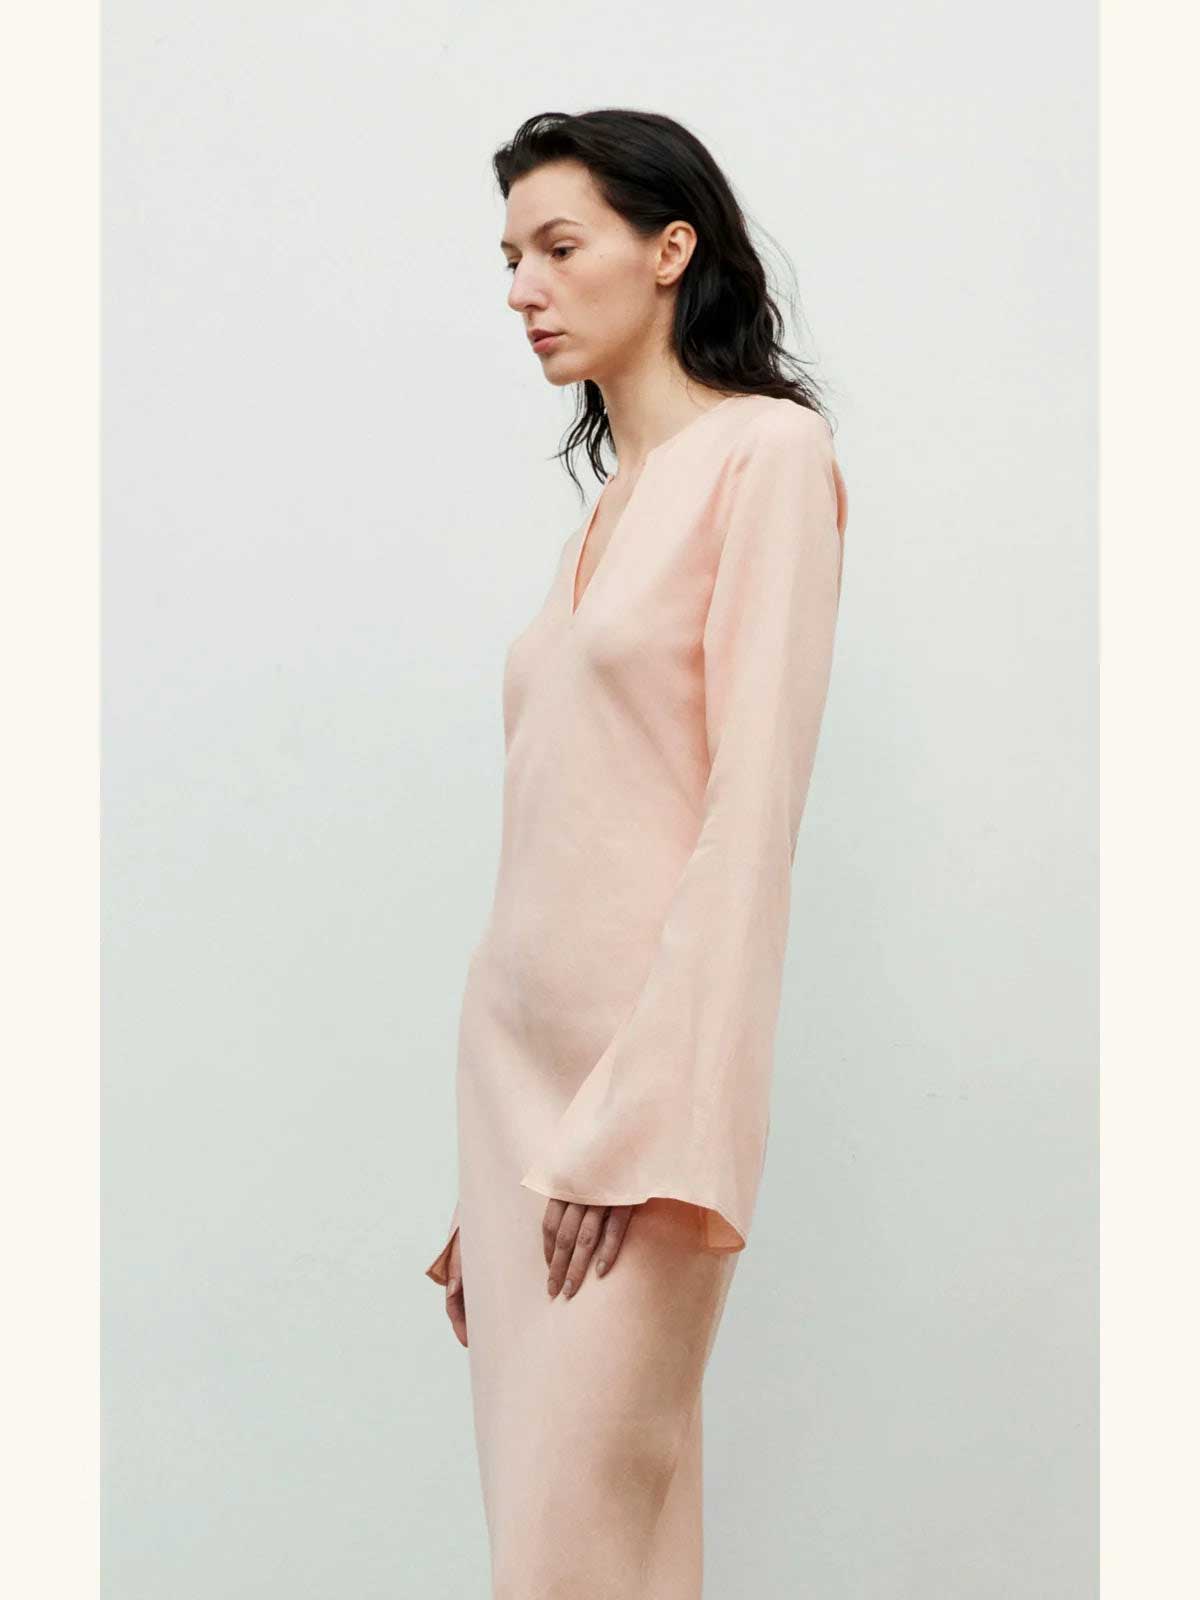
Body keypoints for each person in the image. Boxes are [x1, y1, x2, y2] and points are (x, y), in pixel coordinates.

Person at [424, 108, 848, 1598]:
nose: (523, 290)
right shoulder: (600, 518)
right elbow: (561, 835)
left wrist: (644, 1116)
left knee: (571, 1553)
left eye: (558, 247)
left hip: (636, 1099)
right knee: (600, 1554)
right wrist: (491, 1178)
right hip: (514, 1102)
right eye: (509, 259)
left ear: (671, 250)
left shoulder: (768, 457)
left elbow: (751, 817)